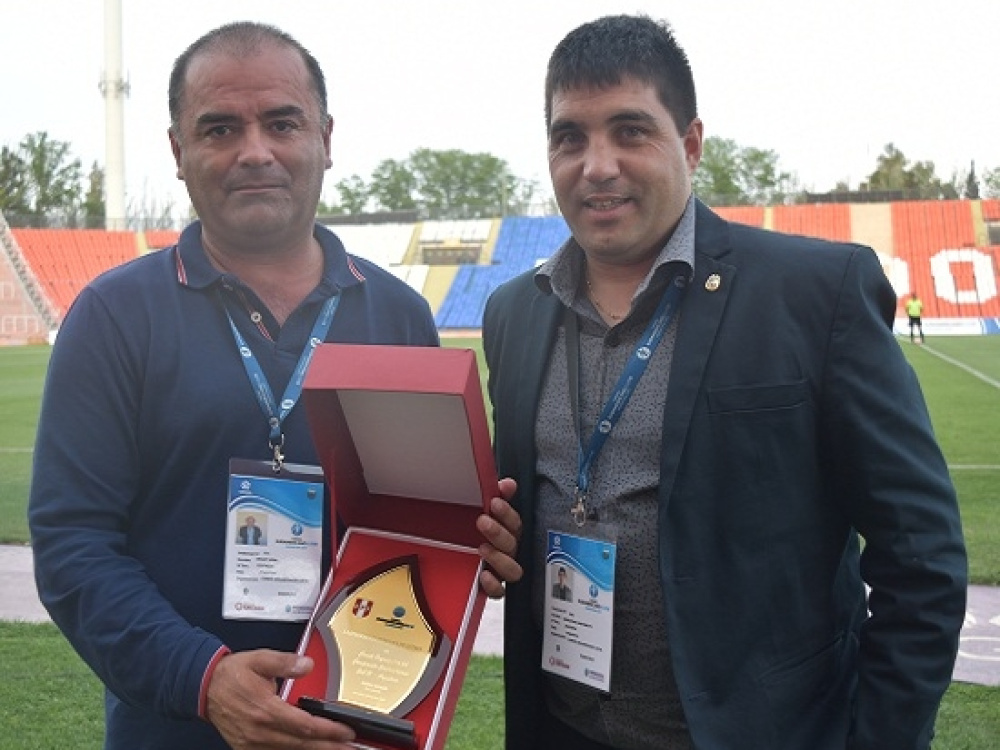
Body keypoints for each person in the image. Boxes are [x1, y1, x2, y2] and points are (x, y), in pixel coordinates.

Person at [29, 22, 521, 750]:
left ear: (325, 138)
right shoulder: (114, 315)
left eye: (282, 123)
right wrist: (202, 679)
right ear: (179, 152)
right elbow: (73, 545)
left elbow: (420, 532)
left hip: (362, 723)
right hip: (177, 731)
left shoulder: (398, 315)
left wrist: (476, 539)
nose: (254, 151)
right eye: (220, 128)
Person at [483, 14, 966, 750]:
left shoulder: (815, 293)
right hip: (564, 730)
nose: (597, 165)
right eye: (569, 137)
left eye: (630, 131)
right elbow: (517, 503)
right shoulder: (513, 311)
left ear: (691, 143)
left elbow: (921, 555)